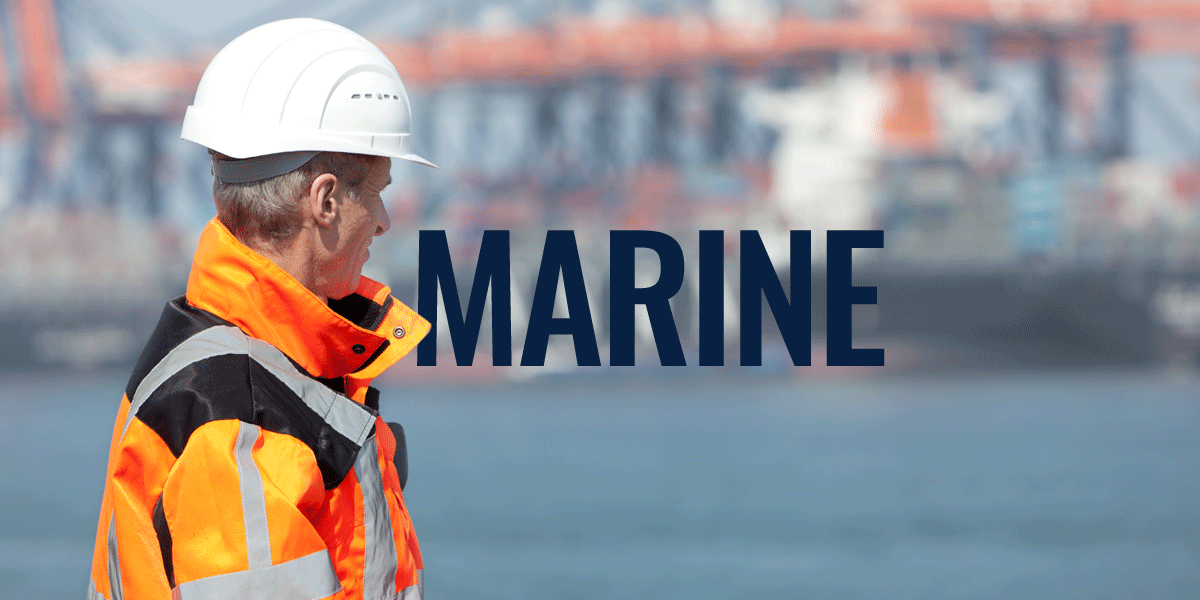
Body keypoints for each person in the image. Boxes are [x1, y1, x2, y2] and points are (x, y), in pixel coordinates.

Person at [86, 18, 435, 600]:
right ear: (324, 201)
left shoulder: (237, 367)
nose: (383, 220)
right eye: (376, 191)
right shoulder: (242, 418)